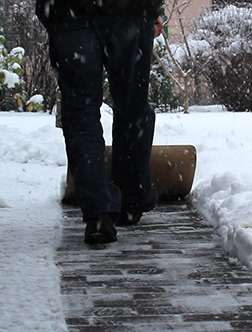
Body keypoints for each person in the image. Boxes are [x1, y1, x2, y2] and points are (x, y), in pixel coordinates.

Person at [36, 0, 164, 244]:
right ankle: (132, 196)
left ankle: (98, 212)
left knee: (81, 113)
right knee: (131, 105)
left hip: (69, 14)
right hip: (129, 12)